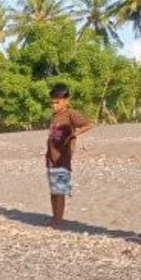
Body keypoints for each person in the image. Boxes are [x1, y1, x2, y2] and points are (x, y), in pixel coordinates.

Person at [45, 83, 94, 229]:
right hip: (51, 159)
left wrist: (73, 135)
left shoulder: (70, 114)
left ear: (66, 101)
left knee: (59, 191)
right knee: (53, 191)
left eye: (57, 102)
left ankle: (58, 220)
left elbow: (89, 124)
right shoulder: (55, 116)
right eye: (52, 102)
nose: (54, 105)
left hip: (62, 159)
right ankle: (54, 217)